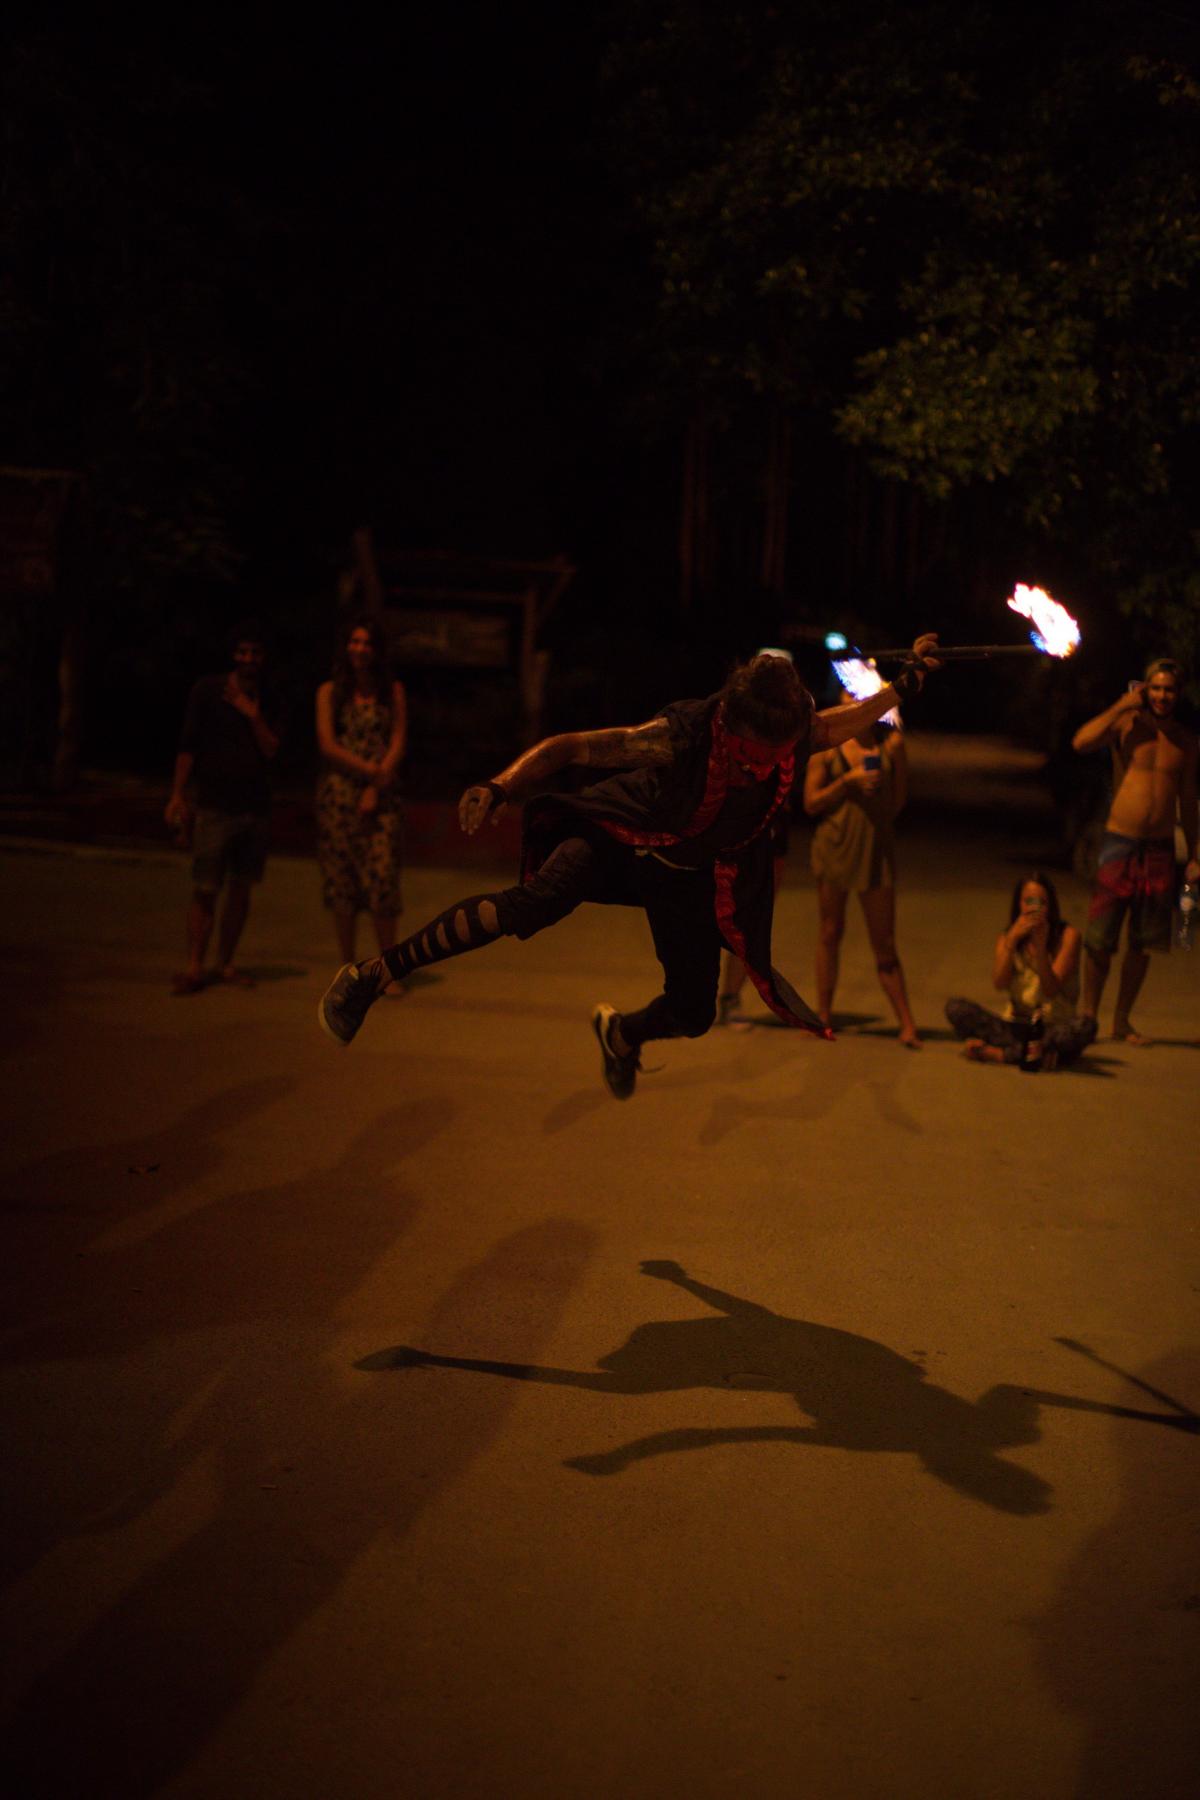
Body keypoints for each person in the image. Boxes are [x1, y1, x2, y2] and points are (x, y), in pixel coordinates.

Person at [317, 633, 941, 1096]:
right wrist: (501, 785)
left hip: (689, 873)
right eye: (757, 753)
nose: (767, 765)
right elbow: (571, 747)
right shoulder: (683, 733)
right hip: (623, 837)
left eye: (779, 752)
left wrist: (900, 687)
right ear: (734, 724)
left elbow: (836, 724)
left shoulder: (790, 729)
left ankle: (621, 1037)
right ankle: (372, 974)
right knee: (532, 904)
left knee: (694, 1014)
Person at [1071, 658, 1199, 1044]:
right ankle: (1088, 1016)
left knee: (1143, 941)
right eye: (1155, 688)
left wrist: (1195, 854)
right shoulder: (1127, 726)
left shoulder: (1186, 742)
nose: (1162, 695)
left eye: (1169, 689)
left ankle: (1122, 1021)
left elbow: (1188, 801)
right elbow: (1081, 742)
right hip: (1120, 841)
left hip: (1159, 848)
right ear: (1145, 688)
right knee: (1100, 938)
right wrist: (1121, 706)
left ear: (1178, 694)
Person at [164, 620, 280, 994]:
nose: (248, 659)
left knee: (241, 889)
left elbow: (272, 749)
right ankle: (194, 966)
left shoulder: (270, 695)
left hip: (255, 807)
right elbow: (188, 745)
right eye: (243, 652)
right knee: (205, 887)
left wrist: (253, 714)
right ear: (233, 654)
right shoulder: (208, 691)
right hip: (214, 805)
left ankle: (225, 963)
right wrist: (178, 794)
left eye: (255, 653)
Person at [803, 683, 919, 1046]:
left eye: (862, 695)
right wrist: (847, 782)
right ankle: (823, 1016)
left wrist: (877, 813)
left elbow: (899, 800)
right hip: (835, 848)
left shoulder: (891, 745)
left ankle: (907, 1024)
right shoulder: (826, 748)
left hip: (874, 851)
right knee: (829, 932)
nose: (855, 701)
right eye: (849, 695)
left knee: (884, 942)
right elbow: (810, 803)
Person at [315, 618, 407, 991]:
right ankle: (348, 969)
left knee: (382, 880)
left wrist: (377, 783)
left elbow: (398, 740)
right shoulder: (329, 692)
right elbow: (327, 744)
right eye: (354, 642)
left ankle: (388, 969)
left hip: (382, 797)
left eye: (367, 643)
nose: (360, 649)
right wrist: (369, 772)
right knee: (342, 883)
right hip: (339, 797)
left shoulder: (392, 691)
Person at [945, 872, 1097, 1068]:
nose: (1035, 908)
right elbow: (999, 983)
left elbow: (1050, 990)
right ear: (1018, 904)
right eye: (1029, 901)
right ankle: (1042, 1056)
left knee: (1086, 1026)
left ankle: (1000, 1054)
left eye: (1042, 902)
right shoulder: (1008, 937)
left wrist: (1041, 948)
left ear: (1051, 906)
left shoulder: (1068, 936)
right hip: (1016, 1025)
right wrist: (1011, 942)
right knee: (956, 1008)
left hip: (1051, 1027)